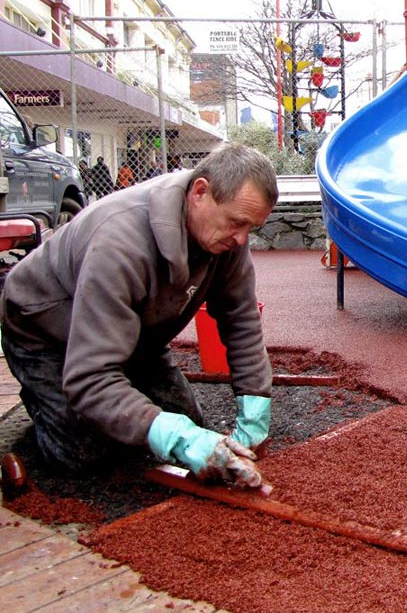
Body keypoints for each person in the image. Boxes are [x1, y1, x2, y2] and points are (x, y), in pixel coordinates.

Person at [0, 143, 279, 489]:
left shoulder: (226, 237)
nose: (241, 239)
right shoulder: (120, 243)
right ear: (200, 191)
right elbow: (90, 376)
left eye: (250, 228)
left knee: (190, 426)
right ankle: (47, 411)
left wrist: (255, 404)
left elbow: (241, 319)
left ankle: (86, 410)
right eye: (237, 223)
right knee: (83, 452)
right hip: (46, 332)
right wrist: (174, 436)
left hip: (134, 334)